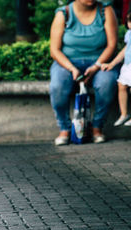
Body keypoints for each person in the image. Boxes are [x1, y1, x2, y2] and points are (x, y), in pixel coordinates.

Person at [49, 0, 119, 145]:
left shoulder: (105, 11)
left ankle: (97, 127)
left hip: (100, 61)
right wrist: (72, 69)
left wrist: (95, 67)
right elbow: (54, 50)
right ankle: (65, 128)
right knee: (57, 86)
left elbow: (112, 45)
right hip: (67, 63)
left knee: (107, 83)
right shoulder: (64, 14)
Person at [102, 11, 131, 126]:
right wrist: (112, 64)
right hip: (128, 65)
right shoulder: (129, 34)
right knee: (121, 86)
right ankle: (124, 114)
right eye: (129, 21)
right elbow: (125, 51)